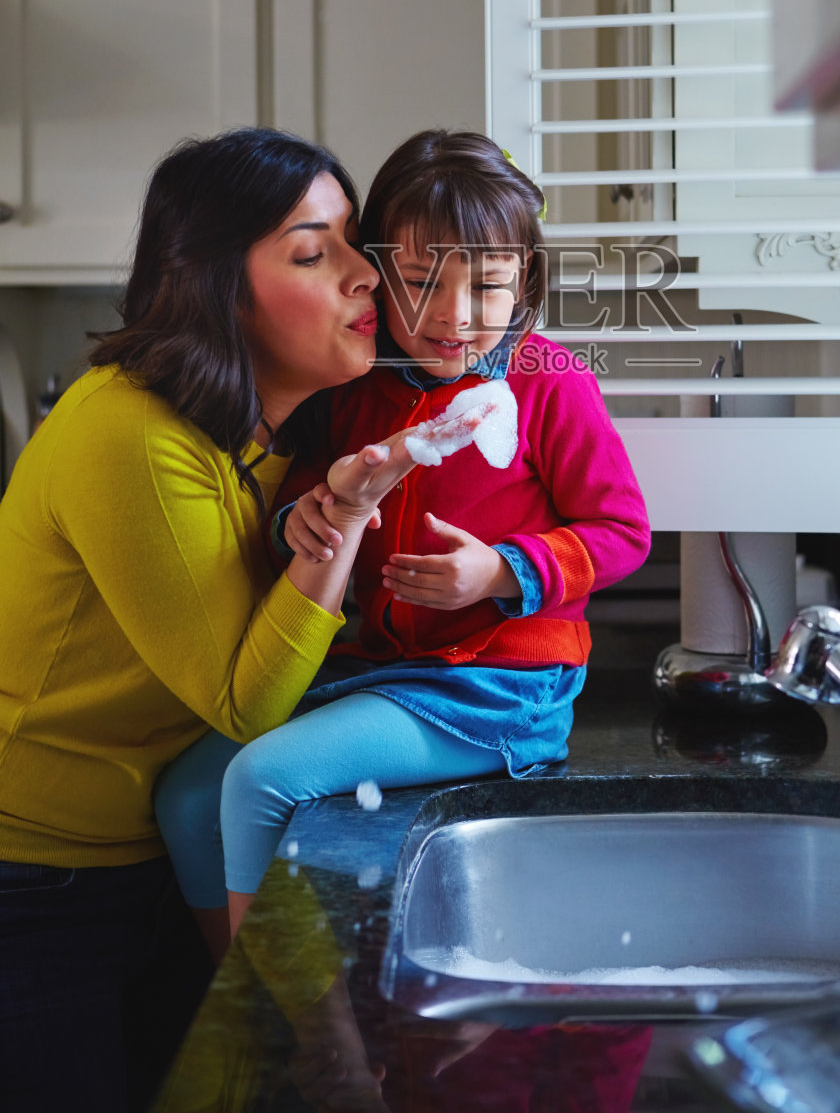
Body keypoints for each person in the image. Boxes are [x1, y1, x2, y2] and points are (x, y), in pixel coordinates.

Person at [0, 126, 439, 1113]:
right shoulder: (132, 435)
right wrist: (349, 525)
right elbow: (245, 704)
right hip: (32, 880)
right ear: (214, 288)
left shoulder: (268, 434)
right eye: (309, 251)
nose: (362, 274)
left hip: (148, 854)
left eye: (353, 243)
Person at [156, 129, 651, 940]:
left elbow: (621, 529)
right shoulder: (359, 381)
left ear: (524, 281)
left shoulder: (549, 381)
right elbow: (303, 496)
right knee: (184, 796)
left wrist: (501, 571)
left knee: (260, 778)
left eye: (487, 287)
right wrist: (302, 520)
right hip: (379, 671)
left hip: (497, 692)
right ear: (374, 273)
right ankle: (236, 996)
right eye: (420, 282)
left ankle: (275, 1027)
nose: (452, 317)